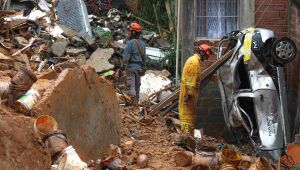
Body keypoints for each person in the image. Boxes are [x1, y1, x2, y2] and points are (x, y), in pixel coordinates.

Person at [178, 44, 213, 134]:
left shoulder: (194, 61)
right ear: (202, 53)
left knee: (189, 118)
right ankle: (185, 139)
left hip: (190, 95)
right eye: (206, 56)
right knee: (187, 118)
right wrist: (189, 95)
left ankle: (187, 138)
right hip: (189, 96)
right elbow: (190, 81)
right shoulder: (194, 63)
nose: (207, 58)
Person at [122, 22, 146, 104]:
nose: (128, 32)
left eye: (130, 31)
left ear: (134, 32)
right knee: (137, 86)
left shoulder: (130, 43)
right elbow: (144, 58)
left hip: (131, 67)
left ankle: (132, 104)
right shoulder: (143, 44)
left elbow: (125, 57)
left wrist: (122, 66)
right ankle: (136, 103)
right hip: (139, 68)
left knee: (131, 85)